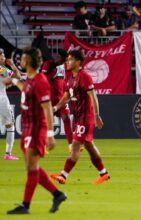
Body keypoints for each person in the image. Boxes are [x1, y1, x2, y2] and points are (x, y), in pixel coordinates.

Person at [4, 47, 67, 214]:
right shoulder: (31, 80)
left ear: (29, 61)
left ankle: (26, 205)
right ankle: (57, 194)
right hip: (27, 129)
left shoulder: (41, 81)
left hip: (36, 129)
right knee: (32, 168)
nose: (21, 60)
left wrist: (50, 134)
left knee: (32, 168)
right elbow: (24, 88)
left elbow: (47, 109)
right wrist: (14, 81)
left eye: (23, 58)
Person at [50, 50, 110, 185]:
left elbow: (93, 96)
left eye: (70, 59)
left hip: (86, 117)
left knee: (76, 145)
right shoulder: (69, 77)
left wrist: (96, 115)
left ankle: (63, 175)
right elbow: (66, 97)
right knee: (89, 146)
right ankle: (104, 173)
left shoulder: (84, 77)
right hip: (78, 117)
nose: (67, 62)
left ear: (78, 62)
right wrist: (55, 108)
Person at [40, 50, 73, 151]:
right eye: (57, 56)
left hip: (61, 97)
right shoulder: (47, 64)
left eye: (60, 58)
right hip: (49, 98)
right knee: (46, 122)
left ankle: (71, 145)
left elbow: (65, 81)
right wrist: (53, 73)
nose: (56, 58)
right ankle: (43, 145)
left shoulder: (64, 67)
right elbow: (42, 79)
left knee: (66, 118)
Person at [0, 48, 20, 160]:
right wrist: (12, 64)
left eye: (3, 56)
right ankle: (8, 154)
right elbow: (18, 76)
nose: (3, 58)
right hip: (1, 99)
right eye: (1, 56)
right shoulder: (2, 69)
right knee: (10, 125)